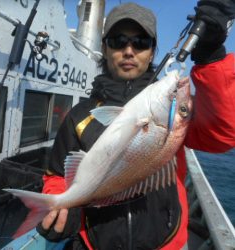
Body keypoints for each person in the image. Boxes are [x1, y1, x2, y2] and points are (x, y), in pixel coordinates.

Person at [36, 1, 235, 249]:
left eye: (141, 42)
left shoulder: (175, 117)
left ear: (152, 52)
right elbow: (56, 174)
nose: (129, 50)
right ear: (105, 49)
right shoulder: (80, 115)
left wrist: (211, 56)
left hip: (167, 243)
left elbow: (223, 135)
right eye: (118, 41)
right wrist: (58, 200)